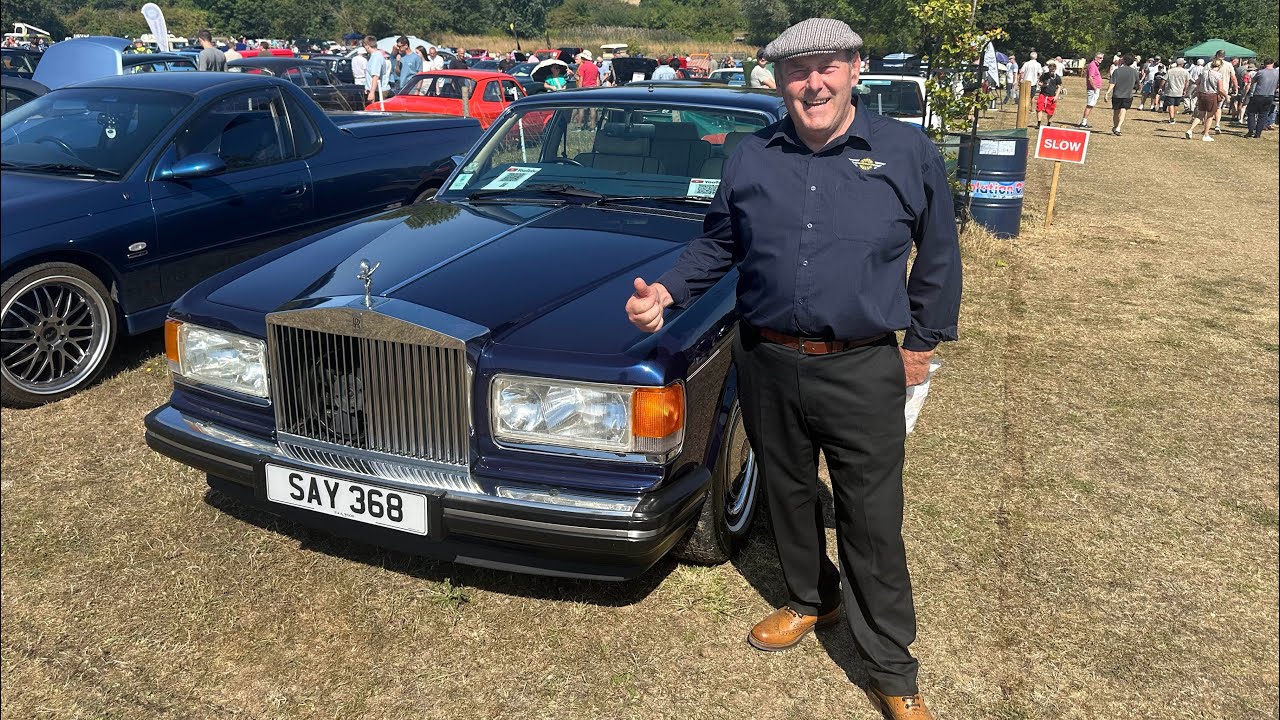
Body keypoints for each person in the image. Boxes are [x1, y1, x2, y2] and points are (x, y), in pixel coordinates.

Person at [624, 17, 960, 720]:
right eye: (797, 72)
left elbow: (937, 254)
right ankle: (813, 598)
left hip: (862, 364)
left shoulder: (905, 152)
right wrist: (669, 291)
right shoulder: (753, 156)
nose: (813, 83)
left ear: (854, 69)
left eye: (827, 67)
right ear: (778, 82)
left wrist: (921, 344)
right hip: (767, 357)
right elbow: (720, 242)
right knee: (788, 492)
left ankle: (892, 668)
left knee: (871, 518)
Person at [1186, 58, 1227, 141]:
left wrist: (1199, 90)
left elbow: (1197, 82)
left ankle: (1190, 130)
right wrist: (1226, 96)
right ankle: (1206, 134)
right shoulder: (1218, 75)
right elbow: (1220, 89)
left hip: (1202, 95)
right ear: (1220, 66)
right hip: (1212, 96)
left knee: (1200, 115)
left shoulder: (1204, 73)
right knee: (1210, 116)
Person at [1243, 58, 1277, 138]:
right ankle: (1258, 133)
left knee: (1251, 112)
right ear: (1272, 63)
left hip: (1258, 95)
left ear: (1264, 64)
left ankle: (1251, 129)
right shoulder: (1277, 73)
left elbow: (1252, 81)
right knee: (1263, 114)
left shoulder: (1260, 72)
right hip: (1270, 95)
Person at [1109, 53, 1139, 135]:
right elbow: (1138, 83)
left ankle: (1115, 127)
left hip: (1117, 94)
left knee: (1116, 112)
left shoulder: (1117, 71)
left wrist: (1107, 92)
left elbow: (1112, 83)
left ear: (1124, 61)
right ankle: (1118, 127)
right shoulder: (1134, 72)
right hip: (1128, 95)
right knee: (1123, 110)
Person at [1079, 52, 1104, 127]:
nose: (1101, 60)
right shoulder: (1092, 65)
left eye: (1102, 58)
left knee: (1091, 105)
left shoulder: (1095, 66)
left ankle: (1084, 121)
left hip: (1094, 89)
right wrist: (1095, 88)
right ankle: (1083, 122)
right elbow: (1090, 78)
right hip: (1092, 89)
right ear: (1095, 57)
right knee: (1090, 105)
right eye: (1100, 58)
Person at [363, 36, 390, 106]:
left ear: (367, 45)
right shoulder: (373, 56)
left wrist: (372, 92)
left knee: (375, 112)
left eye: (364, 46)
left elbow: (375, 76)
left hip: (378, 92)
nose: (365, 48)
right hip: (375, 90)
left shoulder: (376, 57)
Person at [1163, 58, 1190, 124]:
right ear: (1182, 64)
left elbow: (1164, 79)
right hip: (1179, 90)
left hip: (1171, 90)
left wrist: (1161, 87)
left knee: (1171, 104)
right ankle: (1173, 117)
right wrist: (1185, 90)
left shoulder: (1170, 71)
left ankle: (1171, 118)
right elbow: (1187, 82)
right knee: (1176, 105)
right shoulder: (1185, 71)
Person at [1036, 62, 1062, 126]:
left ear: (1055, 69)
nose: (1051, 72)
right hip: (1043, 94)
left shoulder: (1057, 77)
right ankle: (1039, 123)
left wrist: (1056, 96)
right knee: (1039, 108)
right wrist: (1042, 85)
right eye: (1050, 70)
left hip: (1051, 95)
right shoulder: (1044, 75)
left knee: (1050, 111)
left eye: (1053, 70)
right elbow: (1039, 82)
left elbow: (1059, 87)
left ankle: (1048, 123)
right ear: (1048, 69)